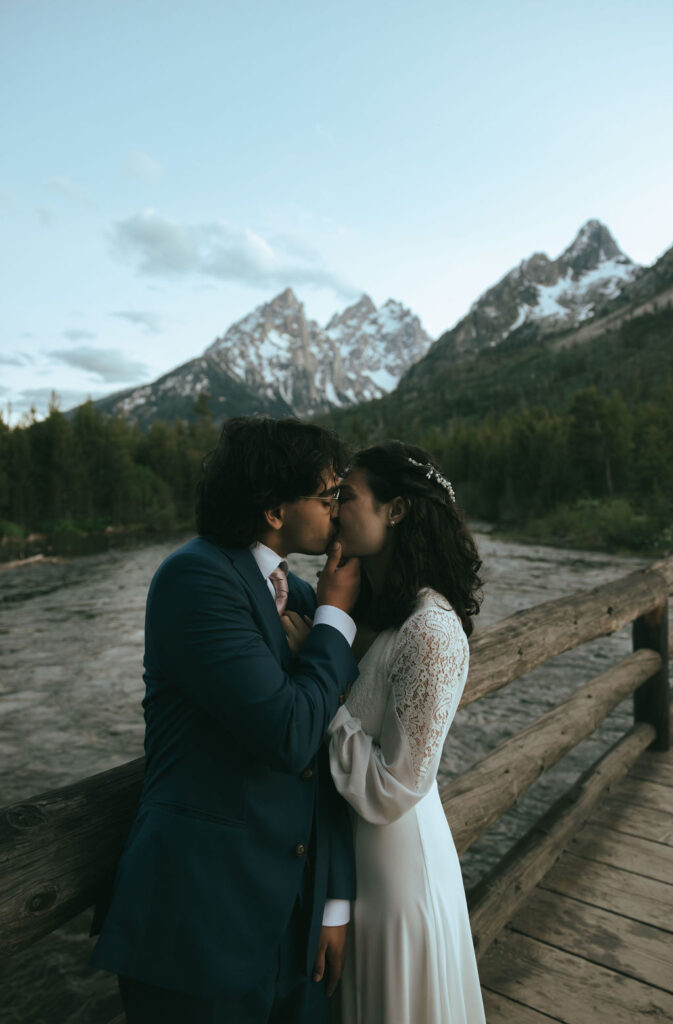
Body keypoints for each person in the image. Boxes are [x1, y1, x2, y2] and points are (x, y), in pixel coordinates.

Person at [91, 416, 361, 1024]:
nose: (337, 512)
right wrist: (338, 620)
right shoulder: (196, 579)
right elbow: (290, 735)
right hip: (200, 922)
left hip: (295, 924)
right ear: (273, 509)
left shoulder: (305, 596)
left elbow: (329, 755)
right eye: (326, 498)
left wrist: (334, 901)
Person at [325, 441, 486, 1023]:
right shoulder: (370, 610)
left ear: (394, 510)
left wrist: (322, 703)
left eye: (347, 494)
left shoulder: (432, 628)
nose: (334, 506)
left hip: (396, 869)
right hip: (353, 866)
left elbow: (394, 787)